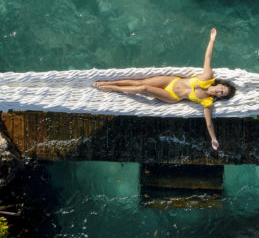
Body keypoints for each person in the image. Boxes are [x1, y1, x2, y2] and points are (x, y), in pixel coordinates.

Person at [93, 28, 236, 150]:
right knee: (138, 82)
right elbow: (208, 57)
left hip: (172, 95)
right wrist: (212, 40)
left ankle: (112, 88)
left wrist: (213, 139)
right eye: (221, 88)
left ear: (220, 97)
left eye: (222, 94)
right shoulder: (207, 77)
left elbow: (209, 123)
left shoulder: (207, 103)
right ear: (219, 84)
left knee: (144, 88)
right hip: (172, 81)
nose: (219, 91)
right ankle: (109, 81)